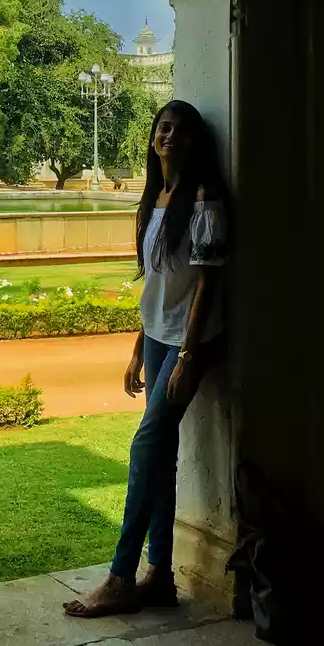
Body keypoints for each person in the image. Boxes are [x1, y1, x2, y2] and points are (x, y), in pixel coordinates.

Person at [64, 99, 228, 617]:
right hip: (158, 337)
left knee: (145, 448)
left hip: (189, 342)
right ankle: (159, 574)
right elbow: (156, 283)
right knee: (160, 454)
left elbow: (208, 283)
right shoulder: (154, 197)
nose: (169, 136)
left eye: (180, 130)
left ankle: (120, 576)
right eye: (163, 127)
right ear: (152, 137)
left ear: (194, 141)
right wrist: (140, 346)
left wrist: (187, 355)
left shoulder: (203, 198)